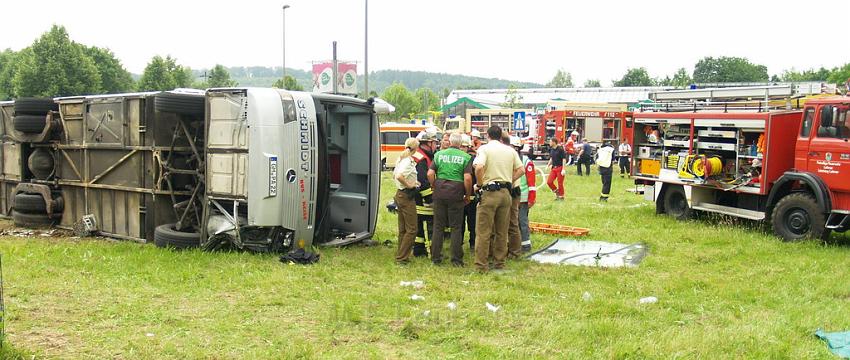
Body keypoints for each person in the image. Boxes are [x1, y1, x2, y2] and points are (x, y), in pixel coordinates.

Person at [473, 126, 523, 273]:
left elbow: (479, 167)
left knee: (484, 231)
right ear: (500, 136)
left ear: (488, 135)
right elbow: (521, 170)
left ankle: (481, 265)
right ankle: (499, 263)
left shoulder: (484, 149)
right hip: (506, 193)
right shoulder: (510, 150)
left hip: (489, 192)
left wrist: (480, 184)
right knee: (502, 231)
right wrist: (509, 179)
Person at [427, 133, 473, 266]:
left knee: (438, 226)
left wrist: (433, 185)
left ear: (450, 142)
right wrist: (468, 194)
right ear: (460, 144)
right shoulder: (466, 157)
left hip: (440, 191)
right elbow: (468, 178)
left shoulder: (439, 154)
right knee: (456, 227)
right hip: (456, 192)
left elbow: (430, 173)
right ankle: (456, 260)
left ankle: (435, 258)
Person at [393, 137, 421, 264]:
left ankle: (401, 253)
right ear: (415, 149)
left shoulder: (401, 159)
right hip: (406, 196)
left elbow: (396, 175)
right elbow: (399, 176)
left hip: (399, 194)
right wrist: (410, 185)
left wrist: (412, 181)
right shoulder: (408, 161)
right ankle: (402, 257)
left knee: (403, 229)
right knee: (412, 229)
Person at [411, 127, 438, 257]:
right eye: (434, 143)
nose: (436, 145)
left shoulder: (421, 155)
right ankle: (429, 252)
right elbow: (422, 181)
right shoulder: (421, 159)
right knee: (427, 226)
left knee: (419, 228)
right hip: (422, 199)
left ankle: (418, 250)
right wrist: (430, 199)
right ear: (428, 143)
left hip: (416, 197)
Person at [508, 136, 536, 256]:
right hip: (511, 195)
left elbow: (532, 182)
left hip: (523, 197)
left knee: (522, 221)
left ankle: (526, 244)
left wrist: (531, 198)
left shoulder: (526, 162)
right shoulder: (510, 160)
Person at [460, 134, 478, 251]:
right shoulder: (460, 159)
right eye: (460, 146)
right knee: (459, 223)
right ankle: (458, 243)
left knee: (473, 223)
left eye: (464, 147)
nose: (461, 149)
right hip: (459, 196)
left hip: (471, 196)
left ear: (468, 147)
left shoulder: (473, 160)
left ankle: (473, 244)